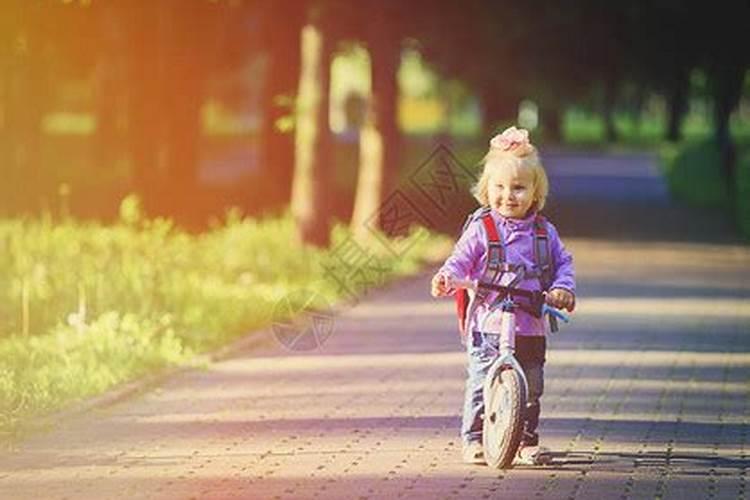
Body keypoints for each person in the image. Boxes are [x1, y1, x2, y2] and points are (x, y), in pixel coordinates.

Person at [430, 126, 575, 466]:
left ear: (535, 192)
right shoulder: (482, 229)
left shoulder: (544, 233)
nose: (508, 195)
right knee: (482, 381)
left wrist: (562, 288)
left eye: (518, 188)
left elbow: (562, 263)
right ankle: (475, 437)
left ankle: (525, 441)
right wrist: (448, 277)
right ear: (486, 188)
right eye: (499, 187)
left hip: (530, 325)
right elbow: (460, 259)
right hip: (489, 323)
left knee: (532, 387)